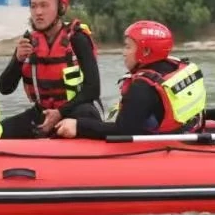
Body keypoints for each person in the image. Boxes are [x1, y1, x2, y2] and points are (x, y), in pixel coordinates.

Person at [54, 20, 206, 139]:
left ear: (146, 51)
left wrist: (79, 125)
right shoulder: (174, 66)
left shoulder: (142, 87)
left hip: (163, 149)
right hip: (187, 133)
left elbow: (123, 131)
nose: (123, 53)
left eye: (128, 47)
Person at [0, 0, 103, 138]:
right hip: (42, 113)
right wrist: (17, 60)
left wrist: (60, 113)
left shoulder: (77, 39)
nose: (38, 12)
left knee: (86, 112)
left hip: (75, 112)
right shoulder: (28, 41)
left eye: (44, 5)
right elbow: (5, 88)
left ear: (61, 8)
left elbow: (93, 89)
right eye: (33, 6)